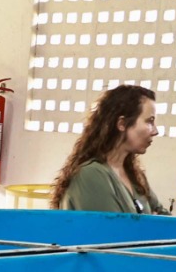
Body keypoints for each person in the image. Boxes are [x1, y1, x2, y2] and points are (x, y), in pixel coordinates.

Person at [53, 86, 167, 214]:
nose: (155, 131)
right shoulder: (91, 174)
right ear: (122, 123)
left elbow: (164, 218)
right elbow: (114, 230)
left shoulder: (134, 175)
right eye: (149, 122)